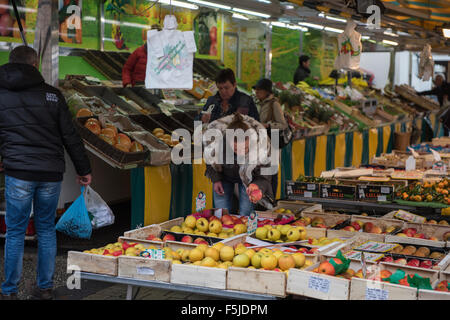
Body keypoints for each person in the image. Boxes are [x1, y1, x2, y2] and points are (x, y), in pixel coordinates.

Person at [0, 46, 92, 300]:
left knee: (16, 231)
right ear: (36, 64)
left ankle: (9, 291)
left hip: (18, 172)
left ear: (10, 63)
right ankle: (44, 288)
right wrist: (84, 169)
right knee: (46, 229)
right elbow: (70, 136)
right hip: (50, 173)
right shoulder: (53, 95)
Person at [205, 113, 273, 216]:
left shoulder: (262, 146)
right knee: (221, 213)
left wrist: (257, 185)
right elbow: (210, 160)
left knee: (246, 212)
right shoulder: (216, 142)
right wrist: (216, 179)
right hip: (224, 175)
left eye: (245, 148)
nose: (241, 152)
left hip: (249, 178)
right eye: (236, 149)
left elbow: (265, 173)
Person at [253, 78, 288, 197]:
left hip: (273, 142)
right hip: (260, 143)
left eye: (259, 90)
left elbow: (283, 125)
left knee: (272, 172)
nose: (257, 93)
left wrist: (268, 125)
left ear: (267, 91)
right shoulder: (257, 103)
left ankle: (271, 198)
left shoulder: (274, 104)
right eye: (256, 90)